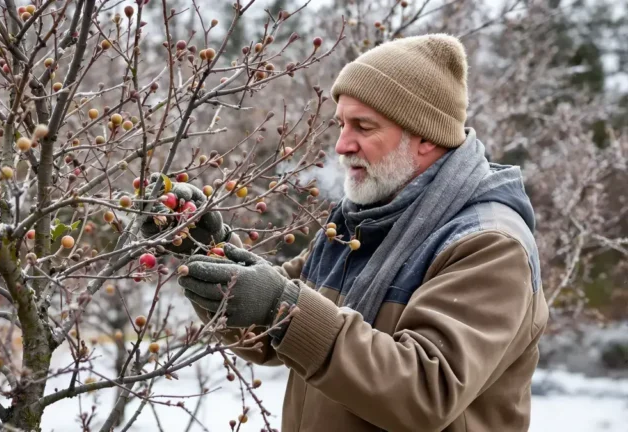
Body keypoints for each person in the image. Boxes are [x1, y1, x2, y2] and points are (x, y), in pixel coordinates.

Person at [141, 33, 549, 432]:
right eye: (341, 124)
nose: (341, 144)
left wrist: (279, 308)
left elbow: (427, 391)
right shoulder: (365, 218)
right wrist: (208, 250)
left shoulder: (489, 244)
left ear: (426, 135)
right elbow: (274, 331)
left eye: (363, 127)